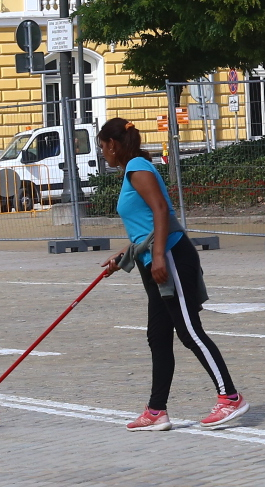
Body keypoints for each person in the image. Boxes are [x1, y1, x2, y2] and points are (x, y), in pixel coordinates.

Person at [95, 118, 247, 430]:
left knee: (189, 331)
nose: (103, 154)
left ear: (112, 144)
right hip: (153, 259)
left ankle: (230, 398)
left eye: (102, 147)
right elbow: (146, 226)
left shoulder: (138, 168)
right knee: (158, 336)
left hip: (171, 257)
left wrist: (161, 255)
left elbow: (162, 211)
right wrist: (124, 256)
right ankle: (156, 411)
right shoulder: (132, 171)